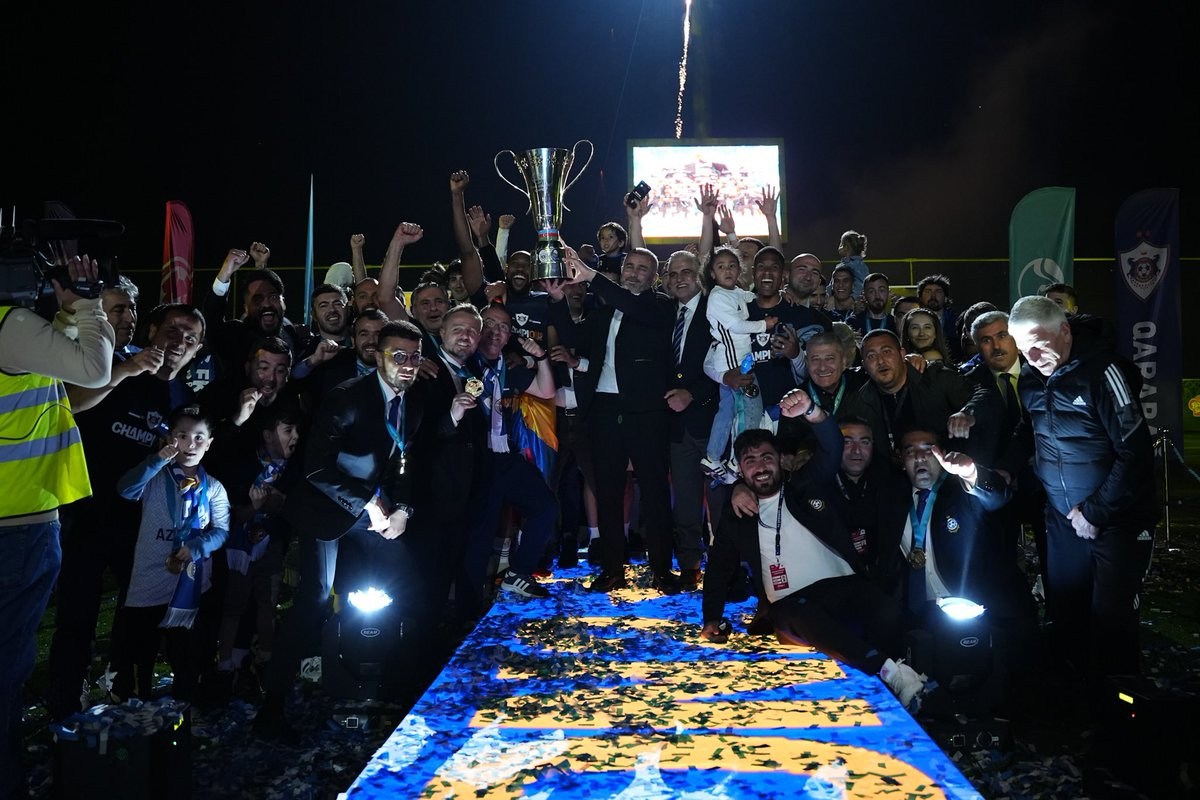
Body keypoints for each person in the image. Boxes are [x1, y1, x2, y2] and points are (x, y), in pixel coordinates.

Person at [257, 320, 428, 740]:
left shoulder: (414, 401)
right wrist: (369, 502)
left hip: (370, 510)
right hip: (325, 509)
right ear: (378, 356)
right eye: (399, 356)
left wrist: (403, 509)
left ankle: (400, 683)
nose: (408, 364)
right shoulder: (347, 397)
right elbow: (316, 469)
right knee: (314, 599)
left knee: (412, 580)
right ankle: (272, 707)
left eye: (415, 356)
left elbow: (404, 463)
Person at [701, 404, 928, 712]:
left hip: (841, 586)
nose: (760, 466)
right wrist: (712, 618)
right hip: (789, 604)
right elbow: (718, 567)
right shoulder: (737, 515)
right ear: (741, 470)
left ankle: (920, 677)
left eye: (767, 457)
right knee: (804, 616)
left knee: (883, 608)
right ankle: (890, 673)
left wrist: (812, 411)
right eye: (750, 461)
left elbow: (832, 446)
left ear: (781, 460)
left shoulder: (806, 486)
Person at [47, 302, 205, 722]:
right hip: (87, 511)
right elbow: (70, 403)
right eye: (172, 331)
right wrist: (124, 372)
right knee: (77, 616)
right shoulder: (119, 368)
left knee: (138, 617)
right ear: (151, 330)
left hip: (141, 526)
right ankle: (64, 706)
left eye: (190, 339)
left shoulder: (185, 401)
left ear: (197, 351)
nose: (179, 342)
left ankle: (126, 698)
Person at [0, 255, 114, 794]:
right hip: (18, 523)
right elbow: (93, 370)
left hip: (13, 519)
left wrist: (66, 315)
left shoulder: (15, 330)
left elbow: (45, 366)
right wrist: (90, 306)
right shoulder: (10, 324)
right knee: (7, 666)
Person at [1007, 296, 1156, 679]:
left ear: (1065, 330)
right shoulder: (1030, 377)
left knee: (1112, 623)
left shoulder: (1104, 372)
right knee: (1065, 615)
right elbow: (1030, 429)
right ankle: (1071, 698)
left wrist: (1095, 512)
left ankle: (1119, 703)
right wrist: (1003, 468)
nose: (1031, 357)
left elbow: (1136, 452)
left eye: (1038, 344)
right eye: (1022, 349)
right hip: (1063, 518)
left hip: (1118, 520)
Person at [546, 247, 682, 594]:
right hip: (604, 411)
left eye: (642, 268)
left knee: (654, 491)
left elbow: (634, 307)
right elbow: (575, 340)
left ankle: (662, 570)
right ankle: (611, 570)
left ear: (654, 278)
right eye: (629, 267)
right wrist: (559, 300)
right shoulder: (604, 312)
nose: (633, 273)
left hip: (647, 412)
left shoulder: (661, 307)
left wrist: (592, 277)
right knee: (607, 492)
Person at [109, 405, 230, 703]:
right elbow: (125, 489)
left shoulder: (214, 487)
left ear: (209, 443)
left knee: (186, 657)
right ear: (169, 439)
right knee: (141, 657)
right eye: (182, 435)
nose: (190, 444)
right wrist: (157, 460)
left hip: (189, 585)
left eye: (199, 437)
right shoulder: (156, 477)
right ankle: (139, 712)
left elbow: (221, 530)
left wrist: (198, 547)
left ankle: (183, 715)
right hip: (149, 582)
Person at [840, 329, 997, 465]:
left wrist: (968, 412)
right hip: (890, 479)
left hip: (945, 471)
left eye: (886, 352)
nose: (880, 361)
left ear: (902, 354)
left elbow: (984, 394)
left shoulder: (935, 378)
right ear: (864, 365)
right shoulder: (858, 401)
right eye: (871, 356)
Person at [661, 250, 718, 589]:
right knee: (684, 501)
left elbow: (728, 364)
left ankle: (726, 568)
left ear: (699, 275)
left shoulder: (715, 310)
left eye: (687, 272)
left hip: (712, 421)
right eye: (673, 273)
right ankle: (689, 565)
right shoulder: (665, 312)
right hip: (676, 426)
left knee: (720, 502)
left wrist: (693, 394)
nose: (680, 278)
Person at [700, 246, 777, 477]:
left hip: (735, 361)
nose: (727, 270)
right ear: (712, 273)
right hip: (734, 365)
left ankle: (713, 457)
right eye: (721, 267)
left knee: (727, 412)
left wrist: (779, 294)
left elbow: (750, 296)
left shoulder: (735, 292)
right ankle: (737, 459)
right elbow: (736, 326)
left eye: (732, 266)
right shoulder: (717, 296)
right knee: (749, 411)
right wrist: (764, 325)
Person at [836, 230, 870, 296]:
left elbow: (862, 285)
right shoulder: (862, 266)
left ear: (846, 247)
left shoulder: (850, 266)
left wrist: (852, 298)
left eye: (841, 244)